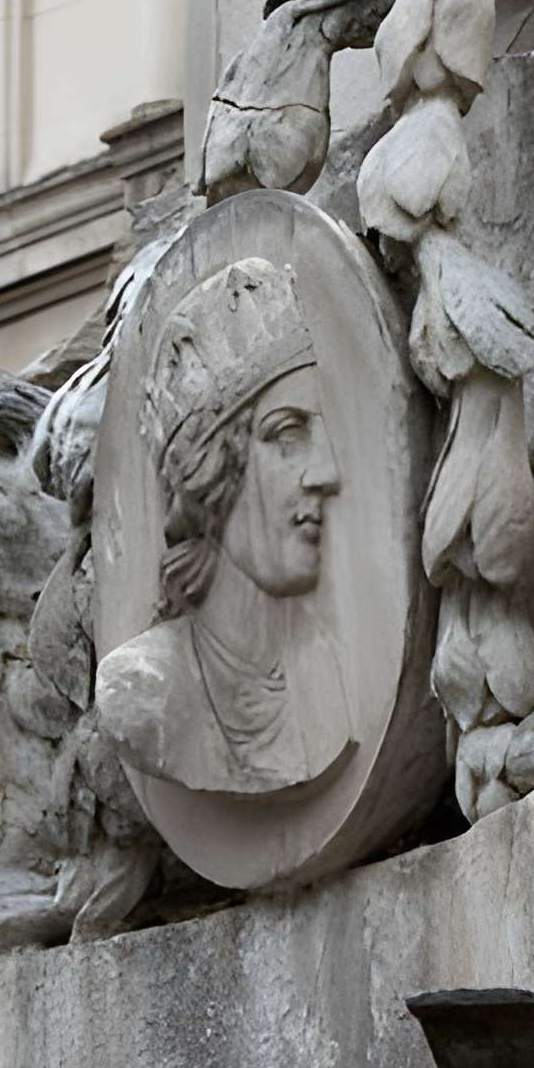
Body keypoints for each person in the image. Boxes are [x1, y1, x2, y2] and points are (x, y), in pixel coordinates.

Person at [97, 257, 359, 798]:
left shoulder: (328, 671)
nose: (328, 473)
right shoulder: (145, 690)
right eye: (288, 435)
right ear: (213, 472)